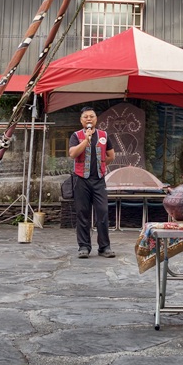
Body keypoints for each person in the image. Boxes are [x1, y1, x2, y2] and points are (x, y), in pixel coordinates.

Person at [68, 107, 116, 258]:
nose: (89, 119)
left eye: (92, 116)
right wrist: (86, 140)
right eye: (86, 117)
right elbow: (73, 154)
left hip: (99, 180)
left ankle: (104, 247)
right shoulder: (76, 136)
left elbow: (111, 156)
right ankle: (84, 247)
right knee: (83, 213)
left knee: (102, 212)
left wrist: (101, 165)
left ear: (96, 119)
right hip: (81, 179)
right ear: (81, 120)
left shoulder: (104, 135)